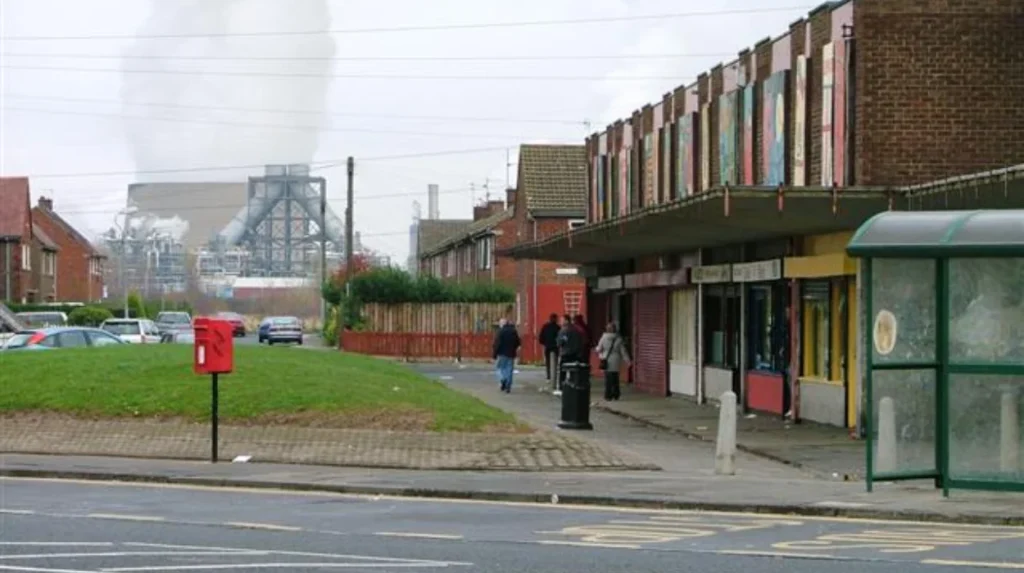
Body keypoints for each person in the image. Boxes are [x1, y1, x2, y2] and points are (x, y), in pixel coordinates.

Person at [595, 321, 630, 401]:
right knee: (615, 379)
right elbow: (623, 351)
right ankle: (616, 394)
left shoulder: (603, 338)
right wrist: (627, 361)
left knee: (608, 380)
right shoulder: (619, 339)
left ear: (607, 329)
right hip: (616, 360)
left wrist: (597, 351)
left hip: (606, 360)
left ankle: (608, 395)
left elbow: (599, 348)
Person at [492, 317, 521, 393]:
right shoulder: (513, 331)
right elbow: (518, 342)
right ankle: (508, 385)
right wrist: (514, 348)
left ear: (502, 324)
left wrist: (494, 354)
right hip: (511, 353)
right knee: (509, 370)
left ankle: (503, 379)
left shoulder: (500, 332)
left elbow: (496, 344)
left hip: (502, 353)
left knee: (500, 368)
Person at [555, 314, 580, 396]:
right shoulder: (576, 330)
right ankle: (573, 386)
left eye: (562, 320)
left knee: (563, 372)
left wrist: (559, 343)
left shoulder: (563, 331)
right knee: (573, 371)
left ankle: (562, 388)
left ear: (566, 321)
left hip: (565, 353)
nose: (560, 322)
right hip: (575, 353)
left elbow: (560, 343)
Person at [538, 313, 561, 387]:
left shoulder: (545, 327)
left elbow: (541, 338)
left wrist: (544, 343)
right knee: (555, 362)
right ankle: (554, 376)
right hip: (555, 347)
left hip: (547, 347)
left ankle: (549, 376)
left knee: (548, 362)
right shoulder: (558, 328)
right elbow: (560, 338)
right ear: (556, 319)